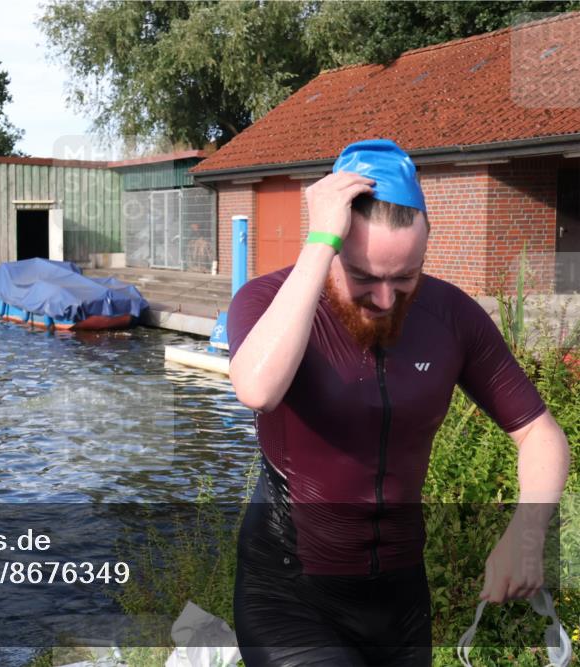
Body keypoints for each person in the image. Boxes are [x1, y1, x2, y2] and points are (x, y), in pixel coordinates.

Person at [228, 139, 570, 667]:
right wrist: (318, 245)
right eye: (364, 278)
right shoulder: (271, 301)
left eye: (405, 278)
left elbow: (539, 433)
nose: (385, 301)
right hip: (290, 593)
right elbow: (257, 388)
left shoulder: (451, 317)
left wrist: (528, 532)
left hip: (400, 601)